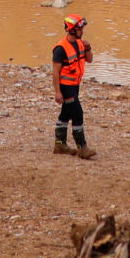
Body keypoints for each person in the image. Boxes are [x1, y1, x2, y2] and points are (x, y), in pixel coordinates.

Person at [51, 13, 94, 159]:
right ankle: (82, 147)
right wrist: (58, 92)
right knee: (77, 113)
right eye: (80, 29)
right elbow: (55, 72)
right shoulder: (60, 49)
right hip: (66, 86)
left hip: (75, 85)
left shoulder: (81, 43)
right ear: (71, 30)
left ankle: (59, 144)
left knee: (66, 113)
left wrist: (88, 48)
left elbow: (89, 60)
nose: (82, 31)